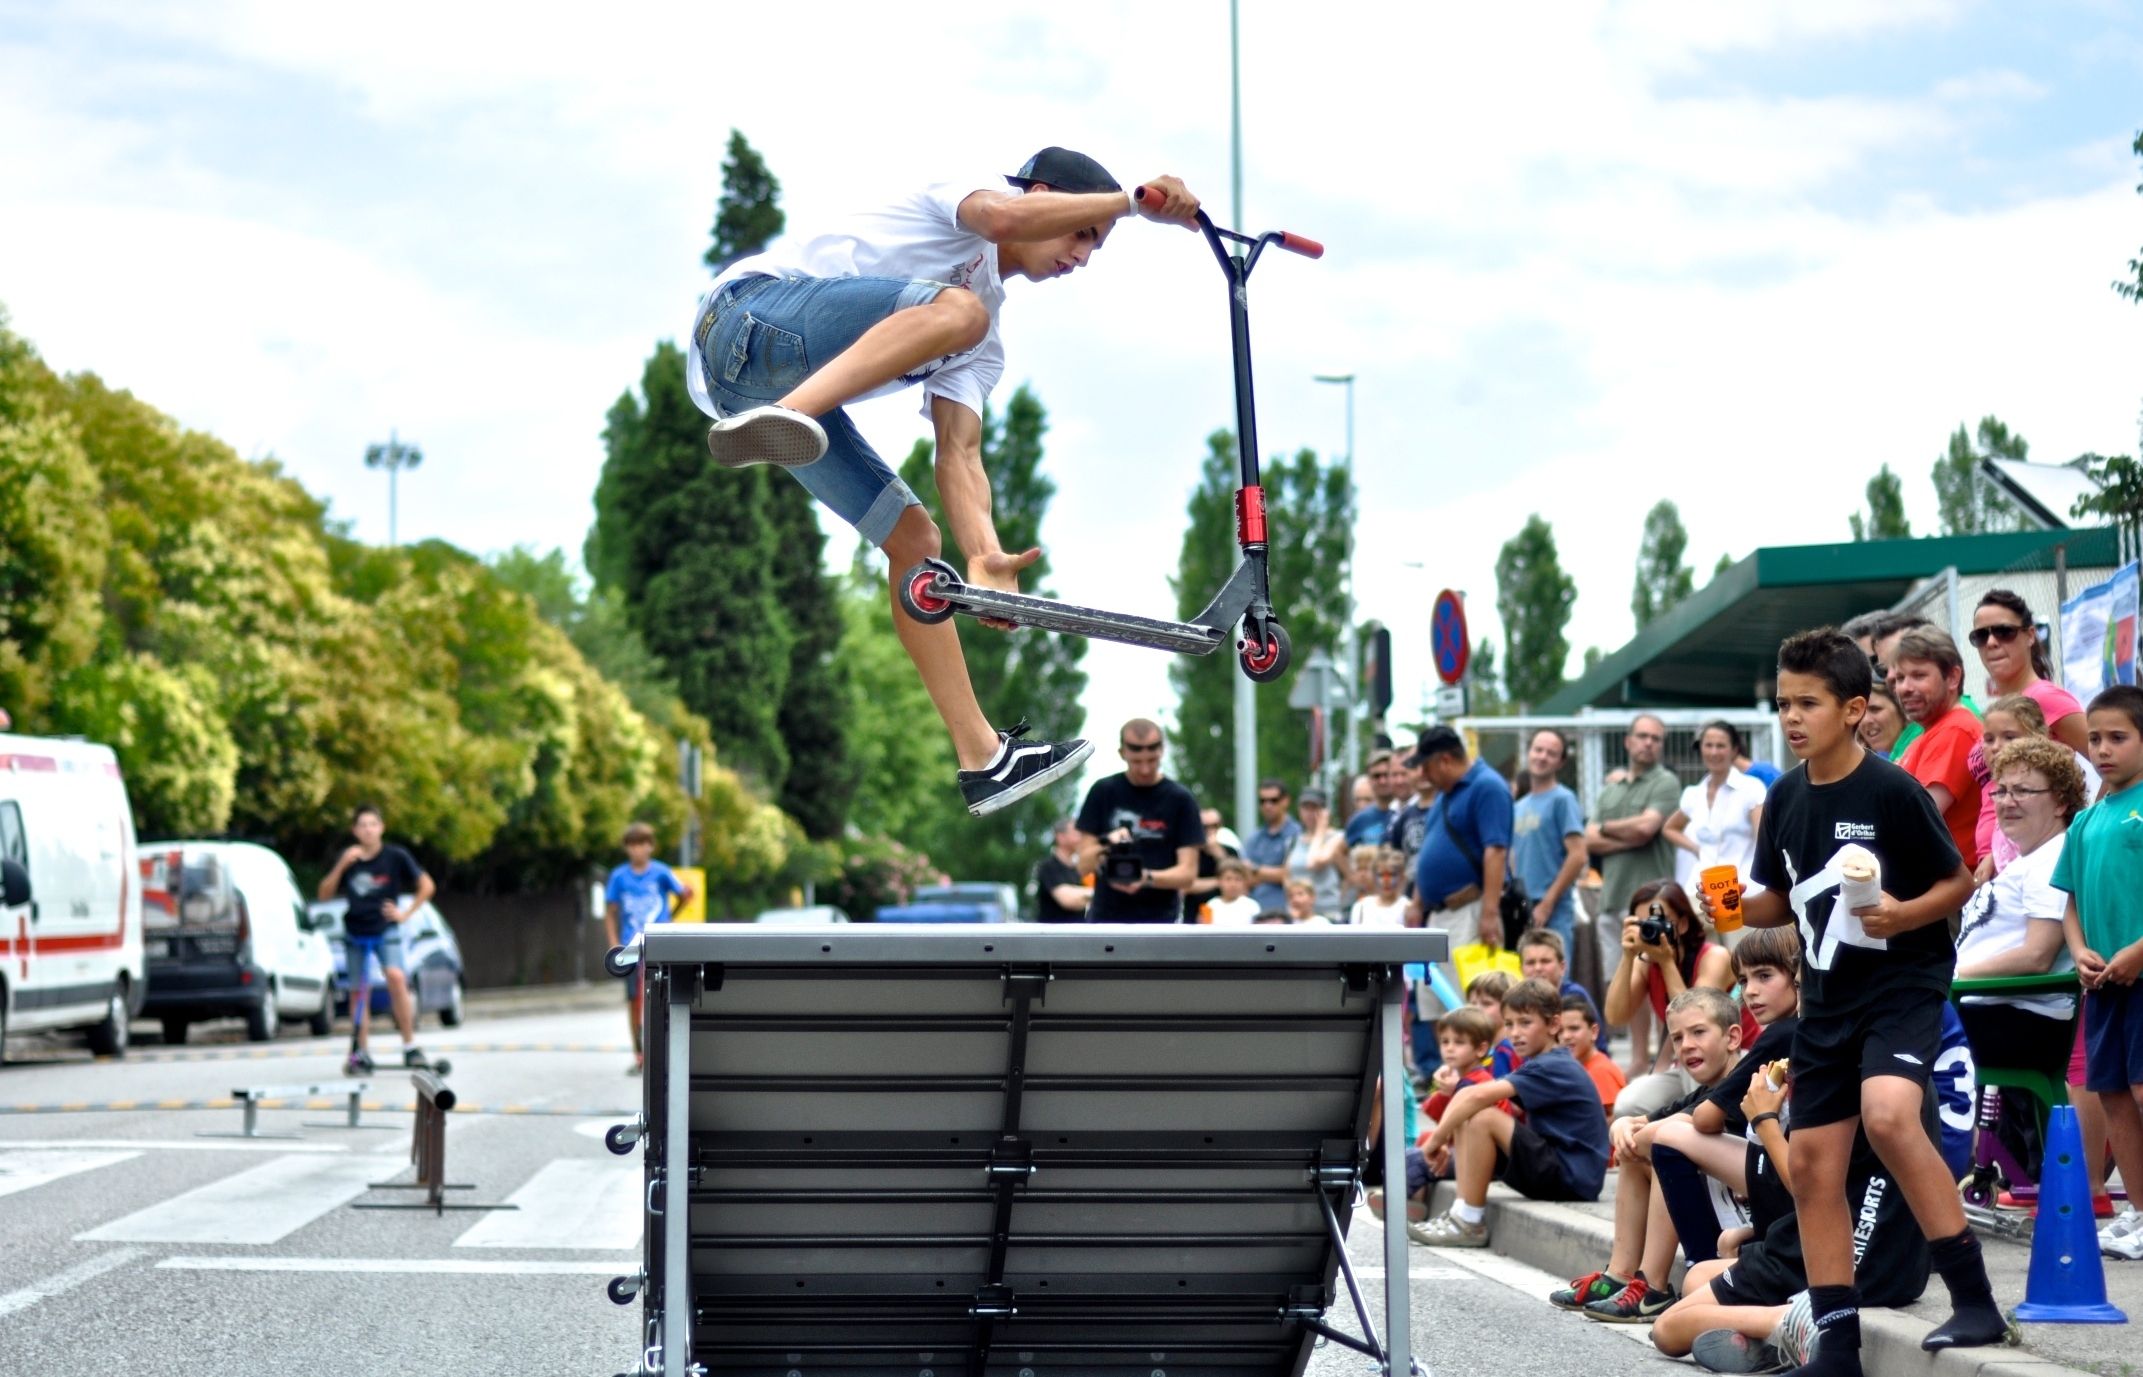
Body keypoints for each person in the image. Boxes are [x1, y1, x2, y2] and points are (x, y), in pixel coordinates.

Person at [685, 150, 1204, 818]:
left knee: (914, 540)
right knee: (959, 311)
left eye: (1095, 246)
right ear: (1046, 197)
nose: (1082, 256)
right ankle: (787, 417)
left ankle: (981, 755)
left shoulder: (983, 345)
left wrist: (983, 555)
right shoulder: (965, 199)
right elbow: (1003, 214)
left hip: (752, 395)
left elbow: (958, 454)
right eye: (1080, 234)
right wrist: (1130, 202)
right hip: (746, 319)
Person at [1728, 627, 1995, 1375]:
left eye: (1806, 702)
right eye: (1782, 702)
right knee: (1812, 1165)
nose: (1790, 717)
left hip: (1901, 987)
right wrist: (1722, 909)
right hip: (1825, 1001)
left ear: (1851, 708)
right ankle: (1835, 1342)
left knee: (1886, 1112)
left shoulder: (1891, 789)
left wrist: (1900, 915)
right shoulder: (1782, 796)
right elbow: (1777, 901)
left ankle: (1973, 1297)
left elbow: (1956, 882)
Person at [1552, 987, 1745, 1322]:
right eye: (1678, 1037)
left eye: (1699, 1032)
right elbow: (1630, 1123)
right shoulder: (1706, 1090)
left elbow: (1657, 1133)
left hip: (1741, 1231)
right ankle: (1620, 1275)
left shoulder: (1738, 1085)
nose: (1687, 1045)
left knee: (1663, 1150)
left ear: (1732, 1038)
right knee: (1636, 1154)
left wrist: (1632, 1135)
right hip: (1718, 1217)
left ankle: (1654, 1286)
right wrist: (1623, 1127)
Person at [1953, 736, 2085, 1189]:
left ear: (2062, 800)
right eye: (2000, 791)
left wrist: (1950, 979)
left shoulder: (2053, 859)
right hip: (1993, 1009)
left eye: (2022, 791)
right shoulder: (2028, 860)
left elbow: (2038, 954)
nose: (2007, 802)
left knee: (1890, 1040)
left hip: (2021, 1018)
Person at [1411, 978, 1612, 1246]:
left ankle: (1469, 1221)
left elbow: (1475, 1095)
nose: (1515, 1032)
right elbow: (1472, 1098)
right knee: (1471, 1110)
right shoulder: (1541, 1062)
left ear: (1553, 1025)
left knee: (1482, 1113)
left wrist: (1435, 1142)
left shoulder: (1552, 1065)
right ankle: (1461, 1213)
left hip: (1573, 1177)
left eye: (1525, 1023)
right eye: (1509, 1024)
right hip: (1560, 1169)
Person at [2054, 685, 2143, 1259]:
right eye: (2095, 739)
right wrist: (2081, 948)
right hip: (2104, 984)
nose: (2103, 750)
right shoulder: (2086, 820)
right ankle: (2139, 1211)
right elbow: (2070, 902)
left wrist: (2138, 950)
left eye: (2119, 737)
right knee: (2111, 1094)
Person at [318, 803, 437, 1075]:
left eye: (373, 824)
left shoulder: (395, 856)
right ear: (355, 830)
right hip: (355, 931)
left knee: (396, 977)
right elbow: (324, 894)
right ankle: (360, 1050)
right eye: (362, 825)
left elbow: (427, 885)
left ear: (381, 828)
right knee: (359, 991)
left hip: (386, 929)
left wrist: (406, 913)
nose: (368, 830)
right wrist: (341, 865)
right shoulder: (349, 859)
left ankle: (410, 1045)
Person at [1602, 881, 1738, 1112]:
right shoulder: (1646, 963)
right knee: (1627, 1104)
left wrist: (1666, 962)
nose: (1651, 930)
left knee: (1697, 1084)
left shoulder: (1714, 957)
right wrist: (1627, 956)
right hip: (1689, 1062)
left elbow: (1695, 1014)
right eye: (1643, 924)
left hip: (1732, 1059)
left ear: (1683, 924)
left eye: (1658, 922)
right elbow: (1615, 1016)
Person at [1587, 715, 1684, 1017]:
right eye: (1642, 736)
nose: (1648, 743)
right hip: (1612, 896)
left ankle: (1663, 1052)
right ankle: (1640, 1055)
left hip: (1652, 902)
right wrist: (1628, 835)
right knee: (1621, 979)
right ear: (1628, 742)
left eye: (1656, 738)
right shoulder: (1609, 791)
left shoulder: (1665, 782)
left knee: (1655, 976)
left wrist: (1606, 828)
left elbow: (1648, 827)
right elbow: (1589, 840)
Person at [1073, 719, 1204, 923]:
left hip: (1161, 920)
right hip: (1106, 917)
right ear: (1122, 753)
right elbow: (1082, 866)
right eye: (1137, 761)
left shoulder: (1181, 799)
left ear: (1162, 750)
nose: (1144, 769)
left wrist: (1146, 878)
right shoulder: (1103, 791)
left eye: (1152, 760)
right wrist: (1107, 842)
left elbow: (1188, 873)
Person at [1405, 726, 1513, 951]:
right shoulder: (1445, 793)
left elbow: (1496, 851)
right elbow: (1428, 849)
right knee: (1434, 987)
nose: (1422, 775)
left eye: (1426, 767)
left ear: (1445, 760)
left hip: (1469, 911)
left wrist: (1489, 913)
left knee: (1466, 986)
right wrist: (1417, 902)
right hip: (1438, 915)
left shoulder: (1487, 786)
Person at [1890, 626, 1986, 871]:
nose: (1905, 688)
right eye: (1900, 678)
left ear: (1953, 677)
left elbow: (1915, 820)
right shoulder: (1931, 731)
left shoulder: (1956, 729)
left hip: (1951, 892)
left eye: (1919, 675)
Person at [604, 821, 695, 1074]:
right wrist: (613, 942)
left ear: (650, 847)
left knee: (663, 997)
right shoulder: (619, 877)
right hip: (631, 947)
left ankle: (664, 1053)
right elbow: (610, 912)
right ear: (627, 848)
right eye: (633, 845)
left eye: (642, 844)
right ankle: (639, 1055)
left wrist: (670, 919)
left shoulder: (661, 872)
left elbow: (685, 894)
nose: (638, 850)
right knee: (634, 1001)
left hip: (660, 944)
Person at [1970, 589, 2087, 754]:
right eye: (1981, 635)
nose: (1991, 642)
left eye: (2004, 631)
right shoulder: (2001, 706)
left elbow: (2114, 765)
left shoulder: (2045, 698)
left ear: (2030, 636)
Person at [1664, 720, 1767, 900]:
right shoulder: (1693, 793)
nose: (1714, 752)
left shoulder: (1751, 788)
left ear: (1734, 750)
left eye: (1721, 746)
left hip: (1742, 891)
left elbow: (1763, 839)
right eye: (1708, 745)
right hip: (1700, 891)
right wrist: (1696, 849)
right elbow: (1669, 828)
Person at [1510, 728, 1587, 951]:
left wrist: (1547, 903)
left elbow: (1578, 855)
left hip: (1552, 908)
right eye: (1538, 750)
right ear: (1528, 753)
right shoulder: (1518, 806)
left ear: (1560, 762)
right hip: (1522, 906)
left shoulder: (1563, 799)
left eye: (1551, 753)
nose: (1542, 757)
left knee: (1553, 979)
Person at [1967, 693, 2048, 880]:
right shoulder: (1993, 785)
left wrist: (1994, 857)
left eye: (2009, 737)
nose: (1996, 747)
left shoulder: (2041, 789)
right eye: (1988, 739)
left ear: (2037, 738)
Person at [1518, 927, 1605, 1048]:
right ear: (1521, 968)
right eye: (1531, 963)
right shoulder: (1517, 1001)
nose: (1538, 968)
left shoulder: (1575, 996)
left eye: (1545, 961)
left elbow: (1597, 1045)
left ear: (1562, 967)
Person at [1559, 996, 1626, 1115]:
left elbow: (1612, 1118)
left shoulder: (1600, 1070)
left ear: (1594, 1032)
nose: (1566, 1036)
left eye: (1574, 1028)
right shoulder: (1579, 1067)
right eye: (1560, 1030)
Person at [1286, 788, 1348, 917]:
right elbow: (1286, 875)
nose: (1309, 813)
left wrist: (1320, 829)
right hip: (1299, 914)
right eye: (1305, 808)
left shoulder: (1338, 837)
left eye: (1314, 808)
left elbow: (1314, 862)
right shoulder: (1292, 841)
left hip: (1328, 912)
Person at [1242, 778, 1300, 912]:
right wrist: (1273, 873)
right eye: (1263, 801)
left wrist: (1255, 869)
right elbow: (1244, 878)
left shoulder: (1298, 834)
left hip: (1286, 913)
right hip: (1256, 913)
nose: (1268, 805)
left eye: (1273, 800)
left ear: (1285, 801)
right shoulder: (1254, 837)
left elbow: (1289, 874)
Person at [1033, 817, 1091, 922]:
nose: (1080, 838)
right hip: (1053, 935)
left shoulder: (1077, 869)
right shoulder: (1048, 867)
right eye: (1076, 833)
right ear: (1061, 837)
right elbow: (1067, 899)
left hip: (1075, 934)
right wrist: (1096, 893)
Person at [1345, 751, 1399, 846]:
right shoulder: (1358, 820)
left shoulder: (1407, 813)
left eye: (1386, 775)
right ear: (1369, 780)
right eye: (1376, 776)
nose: (1382, 781)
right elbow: (1340, 851)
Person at [1348, 846, 1409, 927]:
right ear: (1373, 876)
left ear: (1402, 877)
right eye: (1381, 875)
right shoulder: (1361, 907)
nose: (1386, 881)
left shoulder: (1407, 907)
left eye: (1392, 875)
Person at [1203, 858, 1260, 926]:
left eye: (1238, 879)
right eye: (1228, 879)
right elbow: (1205, 930)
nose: (1233, 884)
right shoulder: (1209, 905)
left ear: (1245, 882)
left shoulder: (1252, 906)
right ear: (1219, 881)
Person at [1859, 679, 1906, 757]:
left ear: (1901, 709)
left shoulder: (1923, 747)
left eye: (1875, 709)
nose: (1865, 720)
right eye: (1859, 713)